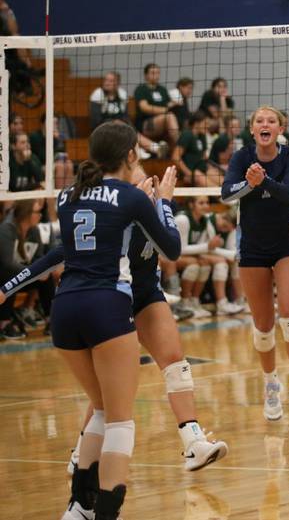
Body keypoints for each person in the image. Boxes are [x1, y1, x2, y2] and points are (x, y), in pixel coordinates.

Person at [0, 121, 182, 519]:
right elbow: (171, 249)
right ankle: (104, 513)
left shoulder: (68, 196)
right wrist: (162, 202)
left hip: (64, 311)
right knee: (119, 420)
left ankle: (78, 508)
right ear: (131, 155)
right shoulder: (132, 198)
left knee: (99, 409)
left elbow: (58, 256)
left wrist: (8, 287)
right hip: (106, 305)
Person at [1, 166, 228, 477]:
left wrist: (163, 203)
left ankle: (194, 442)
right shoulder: (115, 218)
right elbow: (57, 254)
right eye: (141, 181)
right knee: (109, 391)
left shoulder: (156, 208)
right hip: (112, 298)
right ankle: (82, 453)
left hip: (146, 294)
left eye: (151, 180)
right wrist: (8, 287)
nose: (150, 184)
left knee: (176, 362)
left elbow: (171, 247)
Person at [221, 106, 289, 419]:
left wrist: (261, 181)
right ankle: (271, 385)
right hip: (252, 244)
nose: (265, 124)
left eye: (270, 121)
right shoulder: (241, 157)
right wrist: (249, 183)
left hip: (286, 240)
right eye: (259, 121)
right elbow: (226, 195)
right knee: (262, 326)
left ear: (279, 128)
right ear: (252, 129)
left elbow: (286, 192)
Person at [173, 196, 243, 316]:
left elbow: (232, 254)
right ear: (191, 205)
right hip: (171, 255)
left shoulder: (203, 220)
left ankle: (194, 302)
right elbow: (180, 249)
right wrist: (209, 247)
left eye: (207, 203)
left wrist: (209, 248)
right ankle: (185, 303)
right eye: (201, 203)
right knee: (208, 264)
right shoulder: (183, 219)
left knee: (208, 264)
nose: (206, 206)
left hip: (193, 254)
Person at [0, 199, 49, 340]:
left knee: (47, 275)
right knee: (10, 277)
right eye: (37, 212)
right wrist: (32, 272)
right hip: (7, 275)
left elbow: (39, 257)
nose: (40, 216)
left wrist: (41, 271)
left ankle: (50, 319)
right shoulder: (6, 229)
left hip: (23, 274)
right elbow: (7, 263)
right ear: (27, 213)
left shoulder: (34, 231)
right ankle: (4, 322)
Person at [134, 63, 180, 151]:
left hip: (163, 122)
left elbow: (168, 105)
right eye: (153, 73)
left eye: (158, 73)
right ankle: (180, 146)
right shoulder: (141, 89)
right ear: (146, 75)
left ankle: (177, 148)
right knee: (169, 116)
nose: (156, 75)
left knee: (174, 117)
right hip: (146, 124)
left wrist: (175, 103)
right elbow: (145, 107)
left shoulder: (162, 89)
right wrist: (165, 110)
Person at [173, 112, 224, 187]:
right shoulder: (187, 135)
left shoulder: (202, 136)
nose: (208, 126)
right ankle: (221, 197)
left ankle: (229, 195)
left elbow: (203, 157)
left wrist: (211, 166)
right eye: (205, 123)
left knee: (222, 181)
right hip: (192, 171)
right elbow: (175, 157)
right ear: (197, 124)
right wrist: (188, 173)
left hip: (202, 168)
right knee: (208, 183)